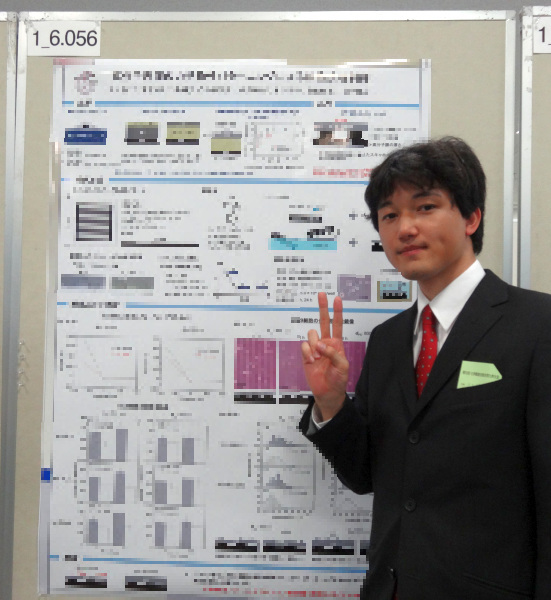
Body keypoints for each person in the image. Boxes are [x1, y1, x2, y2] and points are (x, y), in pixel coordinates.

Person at [299, 137, 551, 600]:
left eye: (425, 207)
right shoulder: (387, 340)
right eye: (389, 216)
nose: (405, 228)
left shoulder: (538, 325)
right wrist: (332, 403)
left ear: (471, 217)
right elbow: (366, 476)